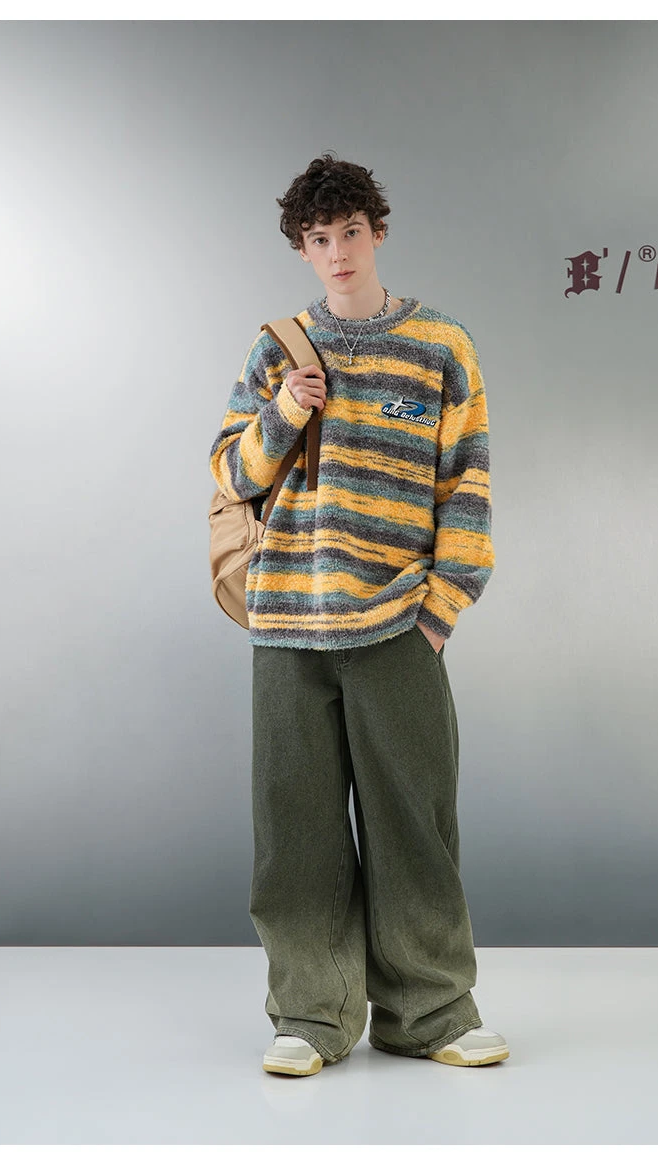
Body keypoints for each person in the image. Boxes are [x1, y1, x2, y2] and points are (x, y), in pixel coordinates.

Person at [209, 151, 509, 1077]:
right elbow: (230, 471)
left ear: (377, 232)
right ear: (302, 250)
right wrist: (282, 414)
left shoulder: (442, 345)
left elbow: (467, 486)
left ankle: (430, 1010)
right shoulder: (278, 348)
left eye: (349, 232)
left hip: (398, 627)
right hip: (287, 625)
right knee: (294, 835)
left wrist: (440, 611)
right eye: (318, 238)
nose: (336, 252)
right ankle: (311, 1015)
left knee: (414, 827)